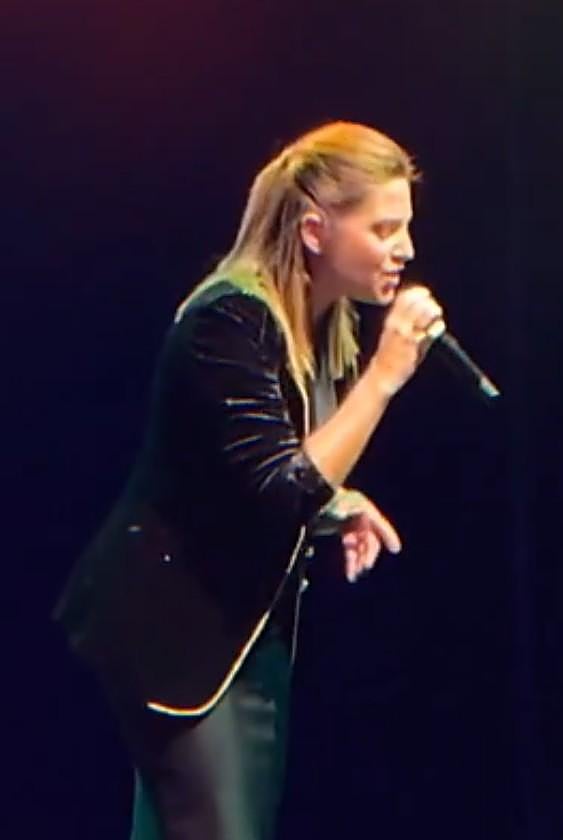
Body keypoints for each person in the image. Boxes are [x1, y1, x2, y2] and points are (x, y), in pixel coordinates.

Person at [53, 121, 445, 839]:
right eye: (384, 228)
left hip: (243, 635)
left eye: (405, 228)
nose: (406, 249)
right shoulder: (229, 319)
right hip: (177, 633)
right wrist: (386, 375)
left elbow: (257, 473)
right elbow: (284, 485)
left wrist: (339, 506)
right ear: (315, 230)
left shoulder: (317, 325)